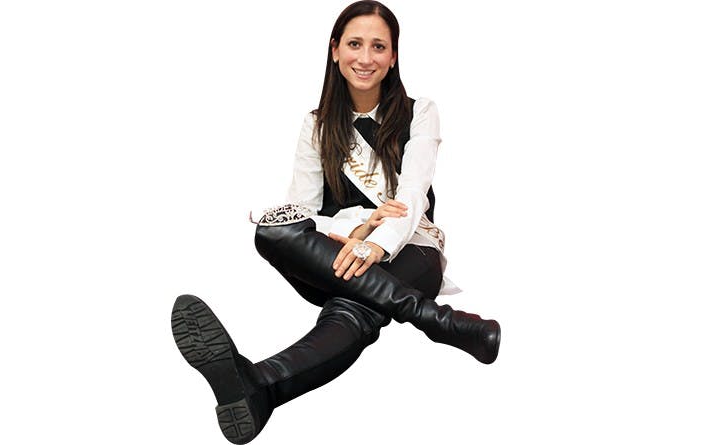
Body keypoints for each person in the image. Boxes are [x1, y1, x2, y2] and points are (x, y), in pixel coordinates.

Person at [171, 1, 501, 443]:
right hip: (339, 255)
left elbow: (411, 196)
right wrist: (357, 229)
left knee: (355, 311)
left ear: (394, 56)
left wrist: (377, 243)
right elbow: (302, 212)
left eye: (378, 47)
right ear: (335, 50)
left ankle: (259, 386)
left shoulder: (420, 112)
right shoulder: (317, 125)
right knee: (273, 230)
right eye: (355, 44)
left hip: (412, 252)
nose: (365, 58)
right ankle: (441, 322)